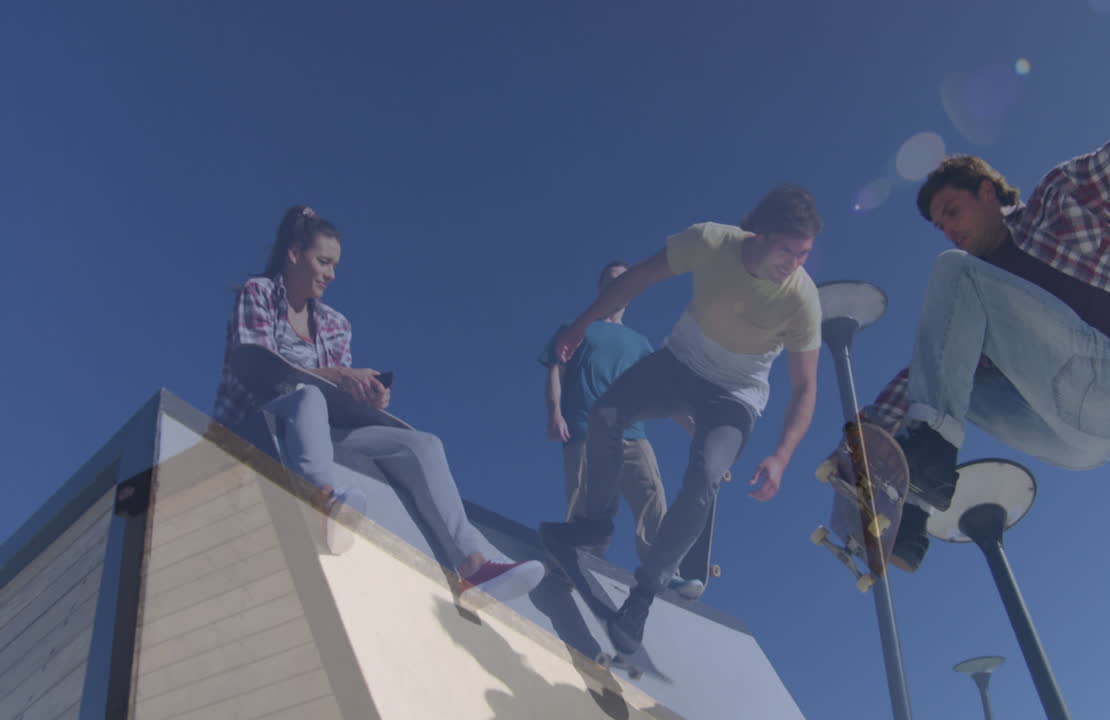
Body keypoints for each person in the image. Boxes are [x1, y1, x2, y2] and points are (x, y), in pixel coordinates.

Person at [856, 0, 1110, 571]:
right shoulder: (978, 298)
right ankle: (909, 513)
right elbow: (928, 370)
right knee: (943, 366)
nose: (949, 230)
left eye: (952, 210)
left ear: (989, 193)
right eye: (940, 224)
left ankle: (924, 474)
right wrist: (865, 440)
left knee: (956, 278)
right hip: (1073, 444)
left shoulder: (1059, 203)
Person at [540, 184, 823, 654]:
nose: (792, 264)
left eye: (804, 255)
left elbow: (805, 386)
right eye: (785, 250)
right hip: (680, 364)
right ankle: (594, 522)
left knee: (706, 476)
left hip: (736, 394)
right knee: (607, 412)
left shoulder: (802, 300)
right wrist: (583, 322)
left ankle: (644, 595)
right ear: (758, 233)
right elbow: (641, 277)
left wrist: (782, 454)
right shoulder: (711, 241)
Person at [213, 205, 545, 602]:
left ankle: (473, 567)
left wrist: (364, 395)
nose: (331, 274)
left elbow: (336, 397)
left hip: (323, 425)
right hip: (259, 416)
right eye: (323, 261)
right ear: (294, 254)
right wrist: (337, 377)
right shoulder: (260, 293)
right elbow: (259, 370)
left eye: (335, 266)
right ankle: (320, 504)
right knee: (309, 398)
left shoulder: (336, 324)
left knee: (424, 444)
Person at [539, 261, 707, 599]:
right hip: (584, 429)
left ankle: (661, 569)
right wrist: (555, 412)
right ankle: (577, 559)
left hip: (632, 433)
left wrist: (691, 425)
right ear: (602, 288)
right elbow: (556, 369)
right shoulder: (577, 327)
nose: (620, 286)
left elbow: (660, 393)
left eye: (625, 281)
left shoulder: (640, 344)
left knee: (651, 495)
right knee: (583, 497)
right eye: (613, 281)